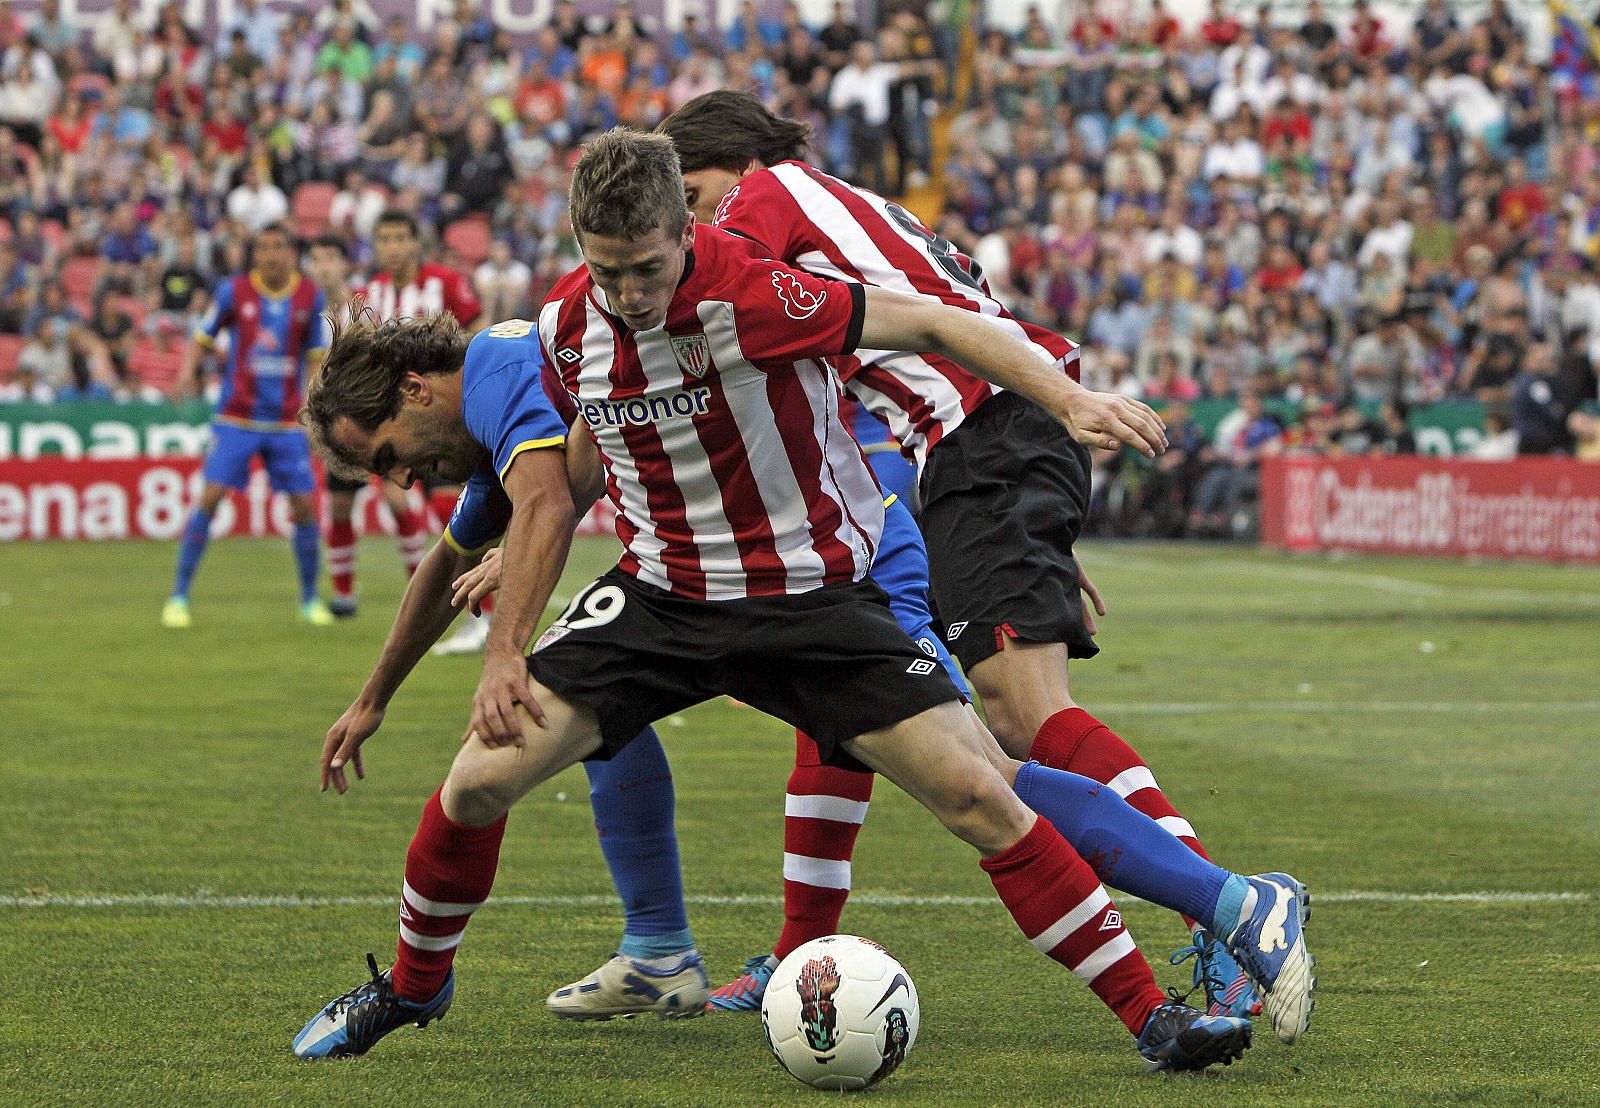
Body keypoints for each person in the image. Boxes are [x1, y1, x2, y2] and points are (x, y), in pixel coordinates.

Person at [290, 128, 1313, 1065]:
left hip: (814, 601)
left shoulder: (757, 293)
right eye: (609, 272)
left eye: (647, 268)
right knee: (474, 783)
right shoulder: (566, 327)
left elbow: (936, 323)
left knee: (981, 793)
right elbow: (575, 463)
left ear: (683, 233)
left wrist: (1066, 394)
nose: (632, 293)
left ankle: (1154, 1017)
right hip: (663, 600)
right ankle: (417, 989)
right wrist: (496, 587)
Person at [659, 90, 1263, 1019]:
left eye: (694, 195)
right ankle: (798, 948)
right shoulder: (837, 210)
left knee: (1022, 712)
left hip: (989, 438)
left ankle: (1223, 912)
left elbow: (687, 301)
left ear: (734, 168)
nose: (695, 220)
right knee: (843, 688)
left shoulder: (764, 196)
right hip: (977, 457)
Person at [161, 224, 333, 629]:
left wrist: (313, 401)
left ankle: (310, 599)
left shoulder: (309, 295)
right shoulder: (233, 292)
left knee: (304, 505)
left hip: (286, 420)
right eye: (265, 247)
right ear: (253, 254)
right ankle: (179, 595)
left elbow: (315, 355)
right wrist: (186, 374)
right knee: (211, 496)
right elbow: (202, 338)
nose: (272, 254)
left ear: (292, 253)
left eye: (280, 247)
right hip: (237, 416)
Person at [358, 208, 483, 633]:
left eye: (400, 237)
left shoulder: (445, 283)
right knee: (398, 499)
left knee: (457, 512)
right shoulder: (368, 295)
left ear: (415, 242)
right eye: (384, 238)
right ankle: (426, 588)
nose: (393, 247)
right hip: (397, 422)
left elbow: (478, 331)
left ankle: (478, 612)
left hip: (445, 417)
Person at [308, 234, 431, 617]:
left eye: (330, 257)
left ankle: (419, 587)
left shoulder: (365, 303)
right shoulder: (311, 309)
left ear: (345, 264)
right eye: (317, 259)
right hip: (345, 421)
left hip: (380, 419)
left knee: (397, 498)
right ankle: (344, 594)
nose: (324, 266)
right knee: (341, 506)